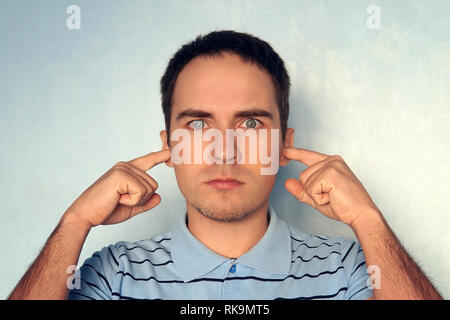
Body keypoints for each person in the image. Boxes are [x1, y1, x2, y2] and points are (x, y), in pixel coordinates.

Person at [8, 30, 442, 300]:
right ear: (170, 146)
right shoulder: (112, 275)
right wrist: (74, 221)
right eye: (198, 124)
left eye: (250, 122)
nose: (224, 151)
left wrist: (369, 221)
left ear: (284, 144)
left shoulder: (352, 271)